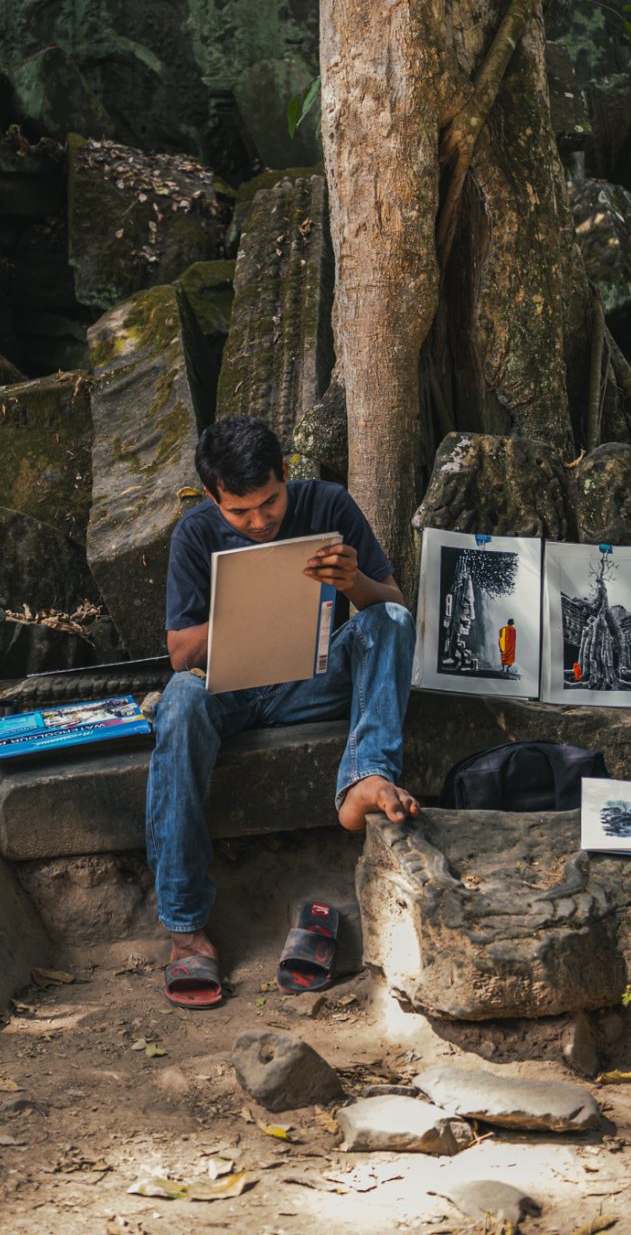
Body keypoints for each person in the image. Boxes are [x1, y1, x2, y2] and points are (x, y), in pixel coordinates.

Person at [149, 415, 417, 1008]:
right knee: (180, 702)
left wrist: (354, 585)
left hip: (313, 681)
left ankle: (366, 775)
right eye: (240, 512)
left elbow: (392, 606)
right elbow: (180, 654)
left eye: (269, 502)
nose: (259, 521)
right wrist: (251, 606)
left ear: (286, 476)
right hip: (231, 693)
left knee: (390, 622)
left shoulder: (328, 506)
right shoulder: (195, 535)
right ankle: (186, 925)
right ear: (214, 497)